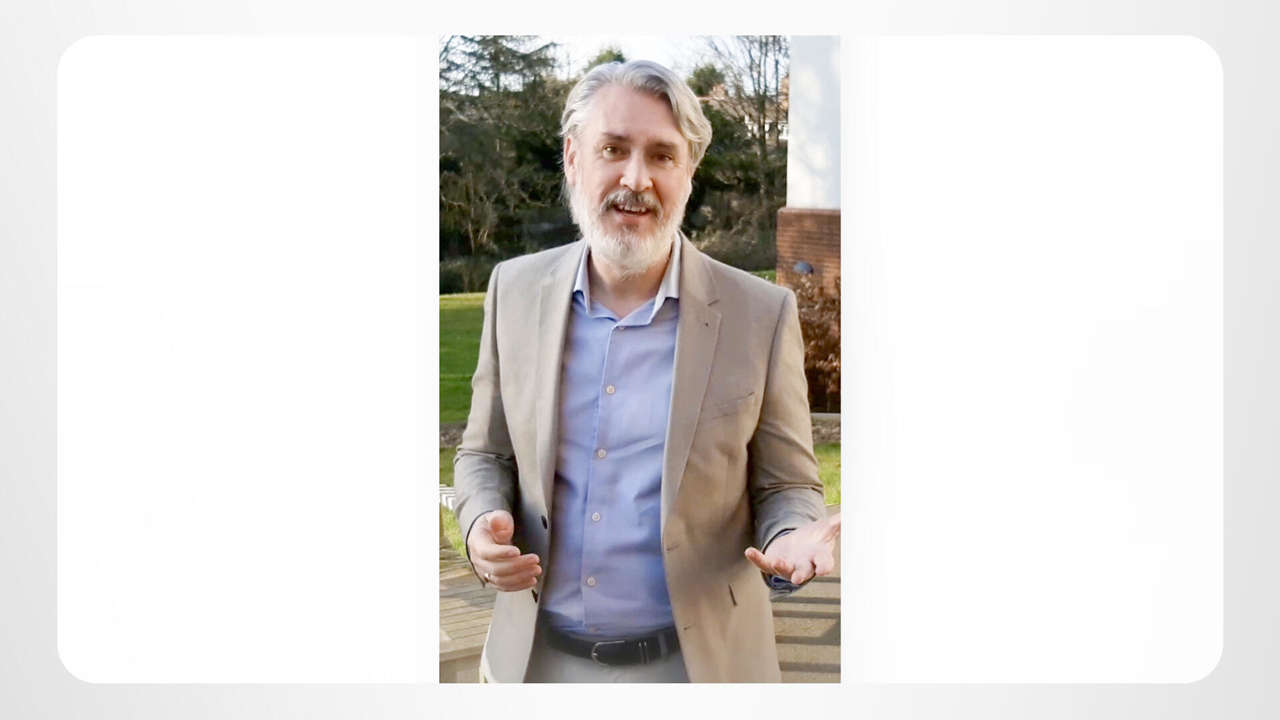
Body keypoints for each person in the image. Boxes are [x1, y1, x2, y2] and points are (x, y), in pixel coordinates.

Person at [452, 59, 839, 683]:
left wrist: (791, 534)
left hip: (700, 670)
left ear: (689, 173)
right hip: (534, 665)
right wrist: (479, 524)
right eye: (613, 149)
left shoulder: (760, 314)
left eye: (662, 155)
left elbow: (785, 484)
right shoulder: (514, 291)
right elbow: (483, 454)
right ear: (573, 159)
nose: (636, 179)